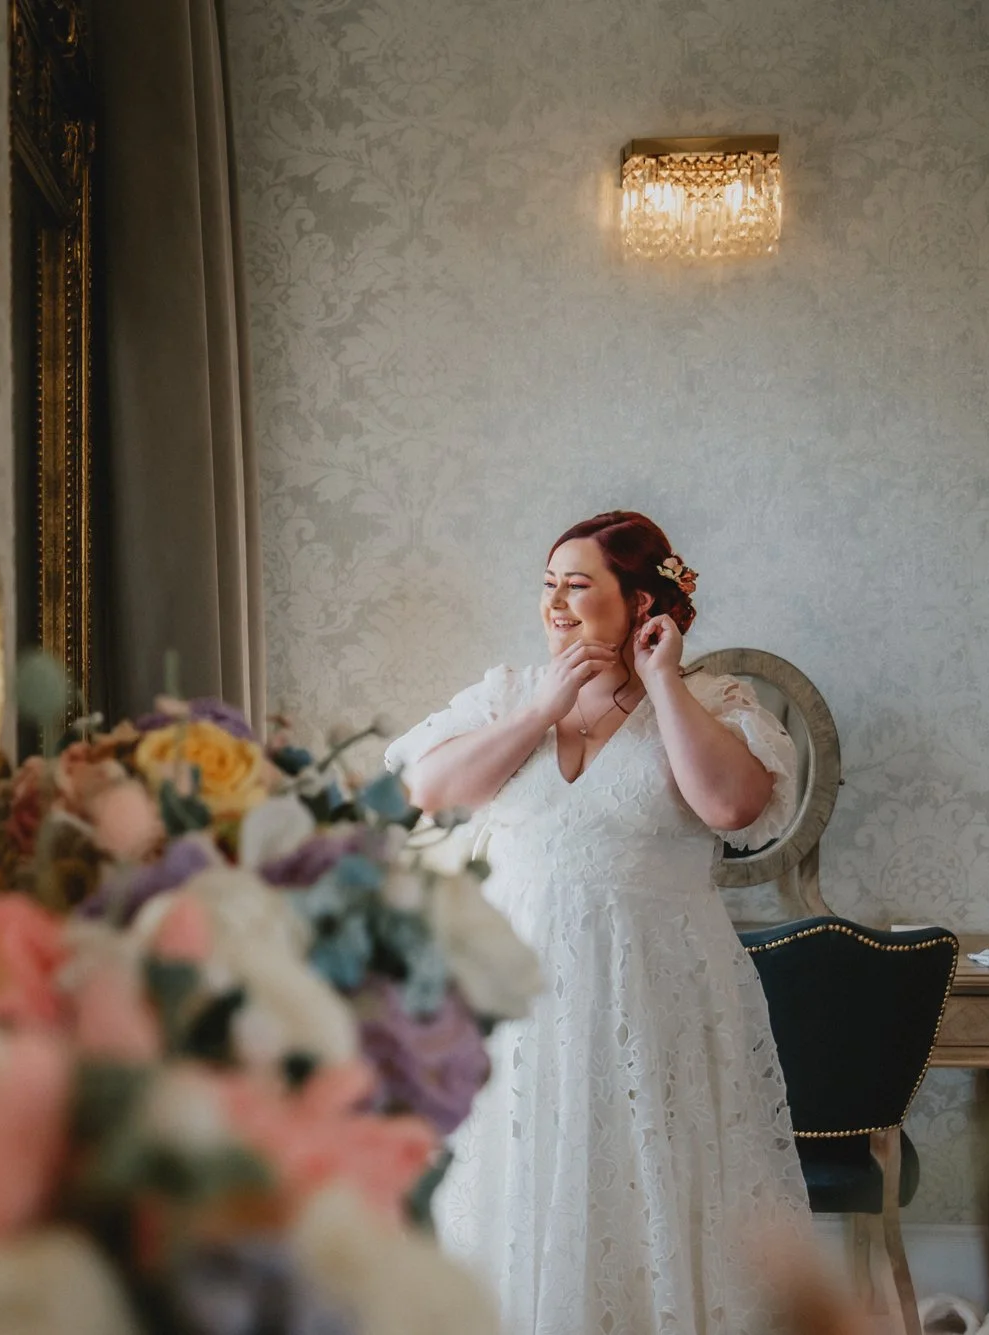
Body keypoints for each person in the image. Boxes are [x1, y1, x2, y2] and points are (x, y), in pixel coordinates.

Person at [385, 511, 812, 1335]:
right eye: (548, 584)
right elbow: (427, 790)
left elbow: (733, 805)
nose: (555, 602)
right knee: (523, 1190)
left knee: (654, 1184)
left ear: (640, 598)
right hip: (519, 1006)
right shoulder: (508, 691)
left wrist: (663, 682)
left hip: (659, 996)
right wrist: (539, 710)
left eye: (578, 585)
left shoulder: (714, 700)